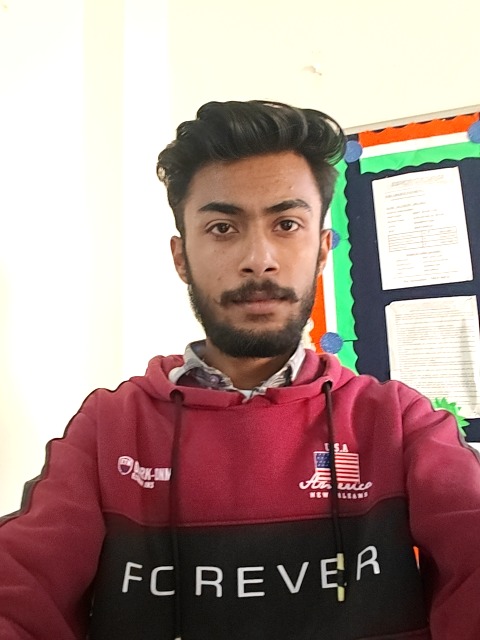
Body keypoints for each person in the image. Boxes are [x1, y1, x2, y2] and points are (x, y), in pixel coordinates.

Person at [1, 100, 480, 640]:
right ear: (181, 257)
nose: (259, 258)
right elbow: (20, 594)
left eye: (287, 224)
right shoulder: (107, 430)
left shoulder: (400, 423)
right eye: (223, 227)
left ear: (323, 250)